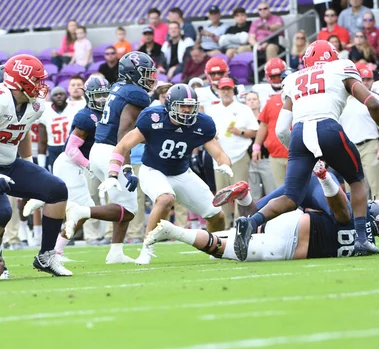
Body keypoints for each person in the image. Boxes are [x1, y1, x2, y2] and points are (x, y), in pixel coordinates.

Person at [232, 40, 379, 261]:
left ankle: (250, 222)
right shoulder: (340, 68)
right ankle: (362, 238)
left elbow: (280, 129)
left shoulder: (293, 79)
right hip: (327, 126)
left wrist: (299, 153)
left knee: (290, 196)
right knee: (356, 181)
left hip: (298, 134)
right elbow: (373, 103)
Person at [93, 84, 232, 264]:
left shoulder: (202, 123)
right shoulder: (153, 118)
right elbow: (123, 146)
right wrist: (113, 174)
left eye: (191, 106)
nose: (187, 110)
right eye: (182, 106)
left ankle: (215, 249)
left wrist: (225, 164)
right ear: (170, 105)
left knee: (217, 215)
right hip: (153, 170)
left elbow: (219, 153)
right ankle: (146, 249)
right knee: (166, 198)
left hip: (182, 173)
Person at [0, 54, 71, 276]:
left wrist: (30, 166)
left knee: (57, 189)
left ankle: (46, 256)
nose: (42, 86)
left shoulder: (35, 104)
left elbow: (24, 130)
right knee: (0, 213)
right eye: (37, 80)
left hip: (10, 163)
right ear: (20, 81)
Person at [147, 168, 379, 261]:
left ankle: (245, 197)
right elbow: (343, 216)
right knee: (222, 249)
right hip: (289, 244)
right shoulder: (363, 240)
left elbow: (335, 211)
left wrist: (324, 180)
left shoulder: (356, 220)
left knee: (245, 228)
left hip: (295, 220)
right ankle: (173, 231)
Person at [64, 51, 157, 264]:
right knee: (128, 211)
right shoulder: (136, 94)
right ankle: (81, 211)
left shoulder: (118, 87)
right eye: (146, 73)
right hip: (112, 152)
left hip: (99, 149)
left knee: (123, 204)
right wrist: (124, 168)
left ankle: (115, 252)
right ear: (133, 73)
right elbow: (124, 134)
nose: (150, 78)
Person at [25, 77, 111, 258]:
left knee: (84, 211)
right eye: (98, 95)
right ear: (89, 96)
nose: (102, 99)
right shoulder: (86, 116)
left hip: (77, 166)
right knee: (84, 208)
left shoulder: (109, 114)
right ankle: (46, 204)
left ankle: (57, 249)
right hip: (69, 164)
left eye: (105, 95)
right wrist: (90, 166)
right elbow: (71, 149)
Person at [207, 77, 259, 223]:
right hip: (219, 156)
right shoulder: (212, 110)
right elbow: (205, 133)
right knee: (221, 193)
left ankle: (239, 223)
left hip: (239, 155)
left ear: (233, 90)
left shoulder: (243, 109)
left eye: (228, 89)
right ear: (218, 90)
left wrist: (240, 132)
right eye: (223, 89)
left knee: (240, 192)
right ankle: (224, 225)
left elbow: (255, 131)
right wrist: (212, 136)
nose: (225, 92)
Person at [339, 66, 379, 203]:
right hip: (349, 147)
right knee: (352, 187)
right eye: (363, 79)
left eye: (369, 79)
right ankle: (357, 220)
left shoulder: (375, 98)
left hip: (370, 145)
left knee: (376, 185)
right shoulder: (342, 100)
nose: (366, 82)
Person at [37, 86, 74, 171]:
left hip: (70, 149)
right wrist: (41, 166)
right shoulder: (45, 113)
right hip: (54, 151)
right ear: (51, 98)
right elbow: (42, 141)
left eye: (61, 94)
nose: (59, 96)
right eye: (55, 94)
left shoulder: (73, 109)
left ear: (66, 96)